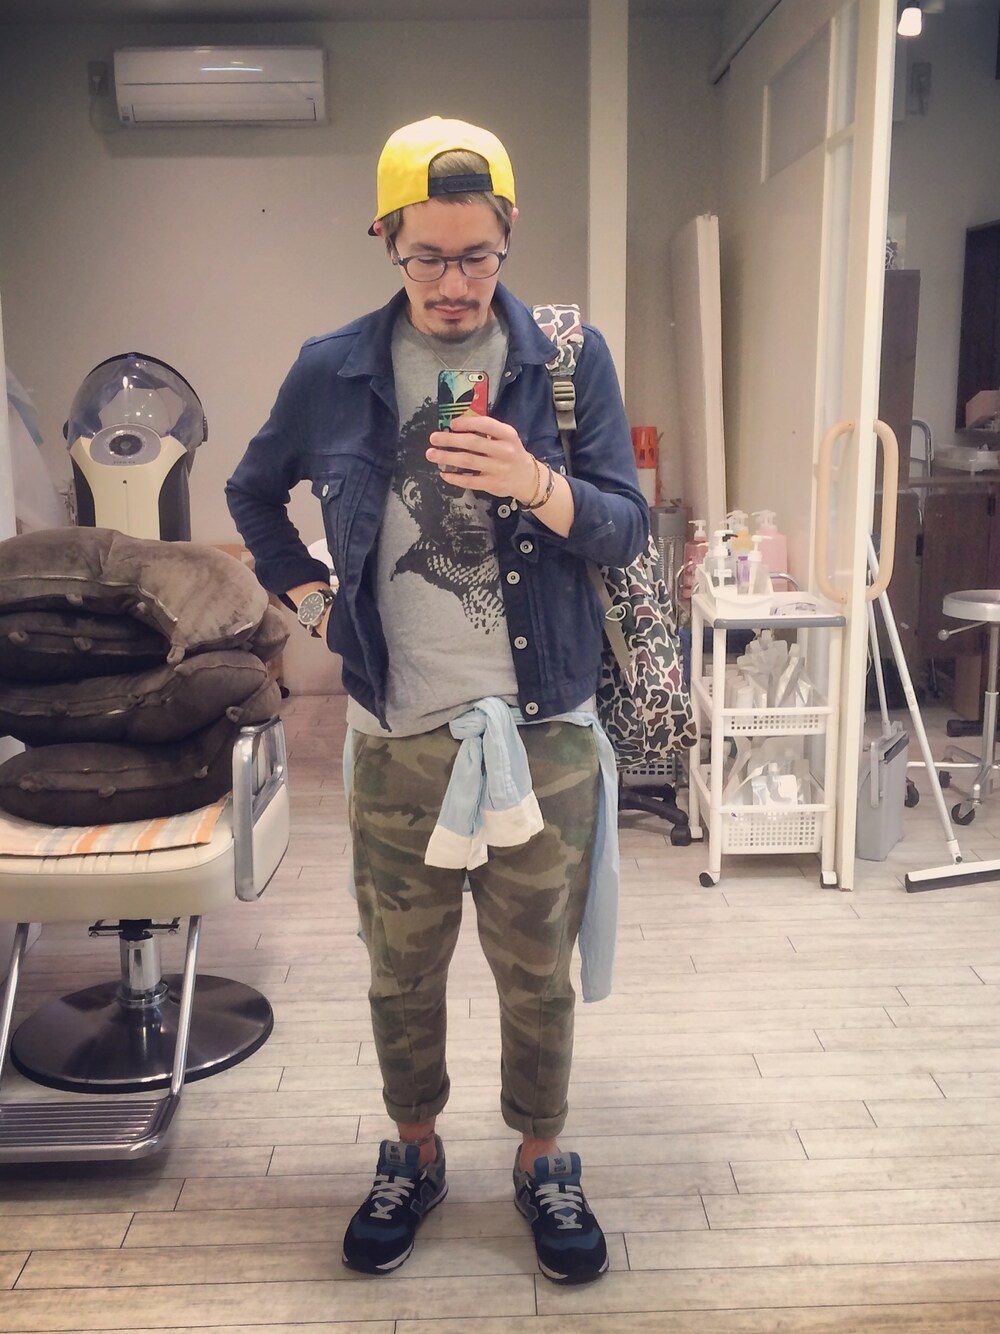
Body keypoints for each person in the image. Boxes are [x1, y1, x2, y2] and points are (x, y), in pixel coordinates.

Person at [226, 115, 648, 1285]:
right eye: (428, 257)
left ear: (507, 236)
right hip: (397, 738)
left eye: (477, 256)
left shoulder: (567, 364)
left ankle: (542, 1155)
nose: (455, 284)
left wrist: (536, 482)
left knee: (537, 973)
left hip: (544, 730)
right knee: (399, 971)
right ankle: (412, 1149)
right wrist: (312, 604)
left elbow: (625, 524)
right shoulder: (332, 369)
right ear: (386, 239)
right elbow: (253, 491)